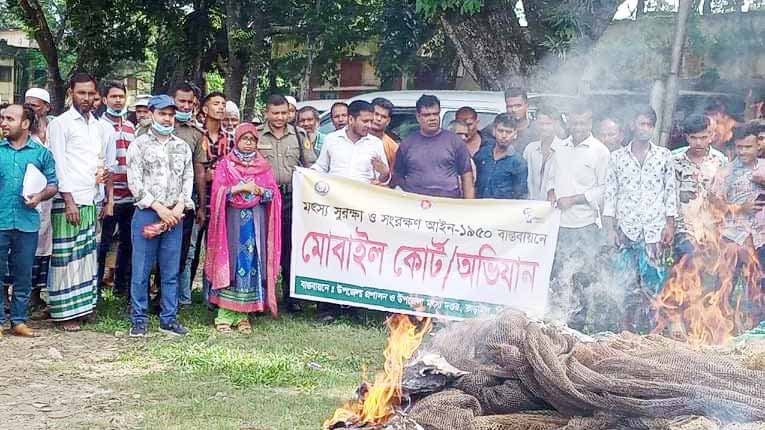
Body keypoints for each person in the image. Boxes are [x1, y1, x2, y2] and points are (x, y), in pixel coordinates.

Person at [603, 106, 677, 332]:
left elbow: (670, 191)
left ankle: (652, 329)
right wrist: (609, 229)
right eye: (641, 123)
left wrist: (670, 225)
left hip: (654, 230)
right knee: (625, 282)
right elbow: (610, 193)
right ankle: (624, 329)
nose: (644, 129)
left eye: (649, 125)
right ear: (632, 125)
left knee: (654, 281)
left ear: (653, 128)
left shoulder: (664, 156)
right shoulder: (617, 158)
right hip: (626, 229)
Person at [126, 95, 194, 337]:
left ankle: (168, 319)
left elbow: (188, 180)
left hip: (175, 216)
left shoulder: (182, 146)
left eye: (171, 114)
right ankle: (139, 319)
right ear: (152, 113)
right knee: (141, 270)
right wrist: (159, 208)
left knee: (170, 270)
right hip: (147, 213)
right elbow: (134, 182)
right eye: (163, 113)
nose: (167, 118)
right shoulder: (139, 145)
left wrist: (178, 208)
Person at [205, 123, 282, 332]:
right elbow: (218, 193)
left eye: (252, 140)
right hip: (231, 224)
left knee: (250, 263)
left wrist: (259, 191)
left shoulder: (263, 166)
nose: (248, 144)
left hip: (255, 224)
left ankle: (242, 315)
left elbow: (273, 194)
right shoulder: (225, 165)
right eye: (244, 139)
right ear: (237, 140)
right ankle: (224, 315)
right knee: (231, 262)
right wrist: (240, 187)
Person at [47, 72, 108, 331]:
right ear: (71, 93)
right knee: (66, 256)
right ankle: (64, 313)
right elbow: (58, 164)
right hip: (68, 200)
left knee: (86, 256)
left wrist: (103, 178)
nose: (86, 98)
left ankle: (84, 306)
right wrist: (69, 200)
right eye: (81, 93)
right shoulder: (60, 124)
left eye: (90, 93)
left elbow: (100, 161)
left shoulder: (98, 126)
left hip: (91, 198)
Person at [544, 100, 610, 330]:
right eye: (575, 123)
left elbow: (604, 190)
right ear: (568, 122)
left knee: (580, 278)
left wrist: (574, 199)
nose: (579, 128)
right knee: (558, 276)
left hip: (585, 226)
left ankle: (576, 328)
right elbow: (550, 178)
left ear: (590, 122)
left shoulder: (600, 151)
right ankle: (555, 324)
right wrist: (552, 192)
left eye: (583, 123)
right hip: (558, 226)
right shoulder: (559, 148)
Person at [0, 104, 58, 337]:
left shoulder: (41, 153)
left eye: (9, 119)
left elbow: (53, 185)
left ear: (25, 124)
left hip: (27, 223)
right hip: (1, 220)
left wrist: (40, 196)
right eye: (2, 118)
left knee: (23, 273)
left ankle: (18, 321)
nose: (4, 123)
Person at [257, 94, 316, 313]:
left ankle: (291, 298)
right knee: (264, 247)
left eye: (284, 113)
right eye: (275, 113)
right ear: (267, 113)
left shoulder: (299, 136)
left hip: (292, 198)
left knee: (291, 248)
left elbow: (311, 166)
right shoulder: (256, 135)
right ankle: (262, 295)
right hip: (264, 199)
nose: (280, 117)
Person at [709, 123, 765, 324]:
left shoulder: (763, 168)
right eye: (739, 147)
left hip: (760, 238)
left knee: (759, 286)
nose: (743, 151)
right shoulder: (726, 173)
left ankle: (758, 330)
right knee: (725, 285)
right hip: (732, 238)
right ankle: (720, 329)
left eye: (748, 147)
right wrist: (740, 208)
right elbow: (714, 204)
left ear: (758, 145)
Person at [96, 81, 135, 300]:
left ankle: (121, 287)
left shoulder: (130, 127)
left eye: (121, 96)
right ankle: (97, 288)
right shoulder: (99, 126)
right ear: (104, 100)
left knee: (127, 245)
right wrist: (106, 198)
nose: (118, 100)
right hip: (108, 198)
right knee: (103, 244)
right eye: (113, 97)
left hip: (130, 197)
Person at [392, 95, 474, 199]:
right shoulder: (407, 143)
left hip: (448, 203)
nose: (432, 118)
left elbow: (467, 176)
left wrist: (468, 207)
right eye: (427, 115)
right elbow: (398, 176)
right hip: (415, 204)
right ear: (418, 117)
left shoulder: (455, 141)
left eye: (435, 114)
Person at [171, 83, 208, 305]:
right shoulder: (150, 128)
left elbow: (199, 171)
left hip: (185, 202)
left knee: (181, 251)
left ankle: (171, 299)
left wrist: (201, 204)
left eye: (189, 102)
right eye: (181, 101)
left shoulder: (196, 133)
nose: (185, 106)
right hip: (155, 202)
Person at [672, 114, 728, 260]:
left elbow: (723, 195)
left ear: (711, 136)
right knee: (686, 267)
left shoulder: (720, 161)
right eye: (693, 137)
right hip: (683, 227)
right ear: (686, 137)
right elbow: (667, 195)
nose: (698, 142)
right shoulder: (674, 159)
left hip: (711, 227)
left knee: (710, 272)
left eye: (703, 137)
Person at [312, 100, 389, 184]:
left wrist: (384, 173)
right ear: (351, 119)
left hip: (362, 194)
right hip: (334, 194)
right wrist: (305, 173)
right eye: (365, 121)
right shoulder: (331, 139)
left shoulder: (376, 143)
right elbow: (321, 167)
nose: (369, 126)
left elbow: (382, 179)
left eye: (371, 121)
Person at [474, 114, 527, 200]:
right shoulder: (482, 154)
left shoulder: (518, 163)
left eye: (508, 132)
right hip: (479, 207)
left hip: (503, 210)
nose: (504, 136)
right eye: (500, 131)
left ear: (515, 134)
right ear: (494, 131)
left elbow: (520, 195)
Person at [524, 105, 564, 201]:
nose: (544, 128)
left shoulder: (564, 150)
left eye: (548, 124)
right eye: (541, 124)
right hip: (531, 206)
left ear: (556, 124)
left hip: (554, 207)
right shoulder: (530, 149)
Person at [504, 87, 536, 154]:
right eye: (510, 106)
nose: (514, 110)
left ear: (527, 105)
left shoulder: (536, 130)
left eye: (518, 106)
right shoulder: (497, 130)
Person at [369, 97, 399, 169]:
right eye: (376, 114)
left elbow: (393, 175)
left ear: (388, 121)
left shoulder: (393, 148)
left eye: (383, 117)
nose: (379, 119)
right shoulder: (357, 137)